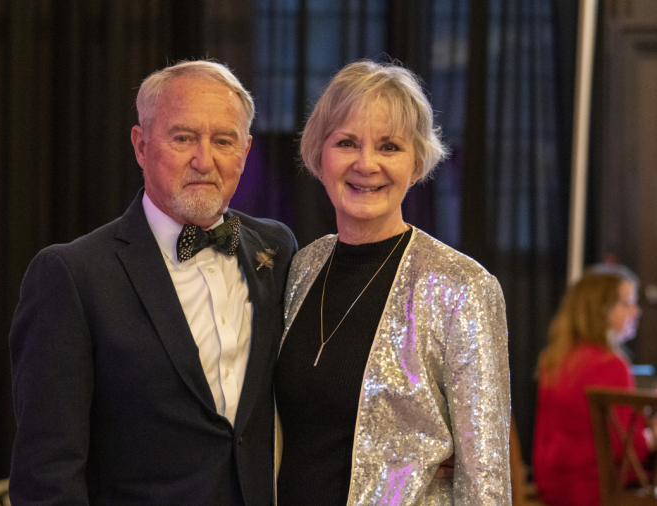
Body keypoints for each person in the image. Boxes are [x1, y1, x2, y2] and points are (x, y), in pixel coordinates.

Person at [8, 60, 298, 505]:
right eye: (183, 138)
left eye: (223, 140)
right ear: (141, 146)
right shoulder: (71, 275)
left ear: (244, 151)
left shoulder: (277, 250)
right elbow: (46, 473)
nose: (205, 160)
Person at [273, 60, 511, 505]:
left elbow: (487, 479)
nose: (367, 164)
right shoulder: (303, 266)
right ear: (319, 155)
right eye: (346, 143)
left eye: (389, 147)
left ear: (417, 162)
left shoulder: (462, 286)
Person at [533, 266, 646, 506]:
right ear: (602, 310)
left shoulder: (554, 360)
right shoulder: (611, 365)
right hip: (595, 491)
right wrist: (652, 435)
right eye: (627, 304)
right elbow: (627, 449)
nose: (636, 311)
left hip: (552, 487)